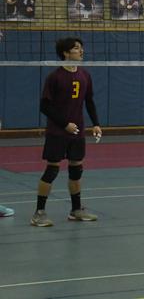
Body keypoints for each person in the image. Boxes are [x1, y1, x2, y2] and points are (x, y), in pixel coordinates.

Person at [31, 37, 102, 227]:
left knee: (76, 170)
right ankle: (39, 212)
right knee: (52, 170)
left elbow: (89, 101)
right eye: (77, 48)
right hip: (58, 131)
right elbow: (44, 106)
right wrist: (64, 124)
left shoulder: (85, 75)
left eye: (81, 48)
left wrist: (96, 123)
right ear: (65, 53)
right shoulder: (54, 77)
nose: (81, 51)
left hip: (77, 131)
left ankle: (76, 210)